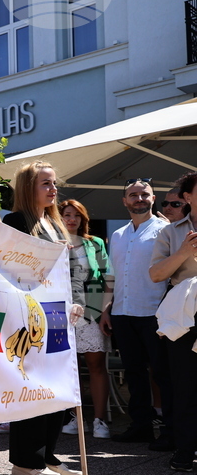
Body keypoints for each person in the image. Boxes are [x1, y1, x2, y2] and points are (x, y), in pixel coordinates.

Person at [2, 161, 84, 475]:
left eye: (54, 183)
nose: (53, 189)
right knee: (33, 387)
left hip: (57, 314)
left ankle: (47, 455)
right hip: (30, 315)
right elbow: (12, 269)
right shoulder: (15, 222)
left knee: (56, 386)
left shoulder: (53, 223)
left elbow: (67, 272)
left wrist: (74, 301)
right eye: (45, 183)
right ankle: (26, 461)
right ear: (28, 187)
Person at [98, 180, 173, 447]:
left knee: (163, 374)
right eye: (133, 195)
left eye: (144, 194)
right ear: (125, 201)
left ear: (153, 198)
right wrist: (105, 309)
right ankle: (140, 426)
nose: (139, 199)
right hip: (122, 313)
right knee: (133, 373)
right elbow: (112, 275)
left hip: (155, 312)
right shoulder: (118, 234)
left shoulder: (166, 229)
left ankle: (171, 431)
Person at [148, 171, 197, 472]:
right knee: (184, 382)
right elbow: (155, 274)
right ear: (188, 196)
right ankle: (185, 448)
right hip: (183, 315)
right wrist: (183, 252)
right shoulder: (170, 232)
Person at [58, 199, 112, 439]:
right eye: (67, 215)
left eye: (77, 215)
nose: (72, 219)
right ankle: (74, 417)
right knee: (68, 368)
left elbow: (108, 278)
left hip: (92, 310)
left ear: (83, 219)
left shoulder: (95, 243)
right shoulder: (51, 243)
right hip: (61, 312)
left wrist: (105, 310)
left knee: (96, 365)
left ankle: (100, 421)